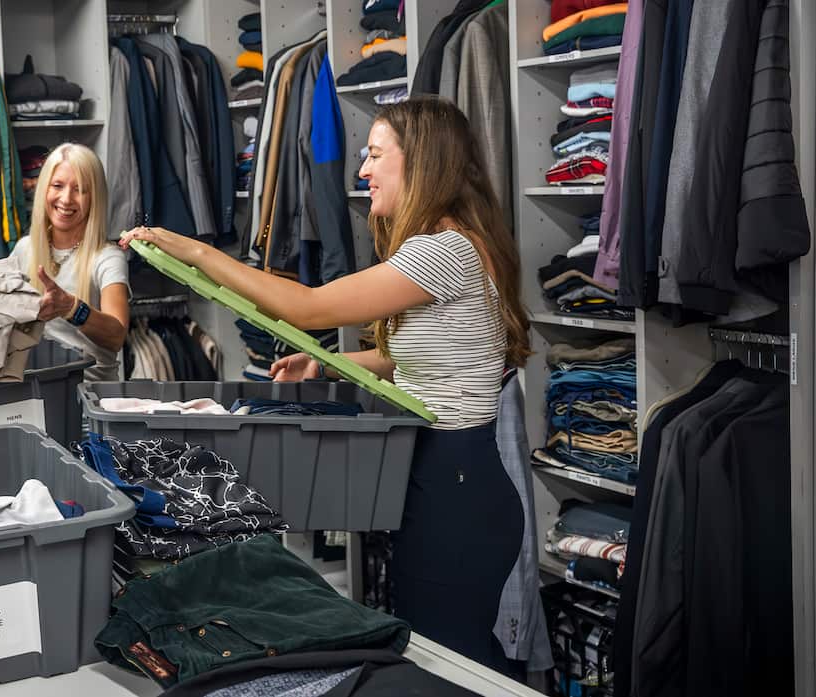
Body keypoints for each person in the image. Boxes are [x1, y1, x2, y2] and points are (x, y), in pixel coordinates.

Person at [119, 96, 531, 673]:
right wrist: (333, 367)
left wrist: (195, 250)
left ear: (421, 162)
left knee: (455, 670)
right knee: (448, 662)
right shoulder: (457, 244)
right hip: (453, 477)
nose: (362, 171)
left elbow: (309, 307)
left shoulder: (442, 252)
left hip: (456, 487)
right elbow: (426, 361)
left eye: (375, 155)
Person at [11, 143, 131, 381]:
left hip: (89, 395)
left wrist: (71, 308)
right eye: (57, 185)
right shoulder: (24, 250)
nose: (66, 199)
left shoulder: (107, 258)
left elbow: (116, 337)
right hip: (32, 388)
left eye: (80, 189)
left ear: (94, 198)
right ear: (44, 189)